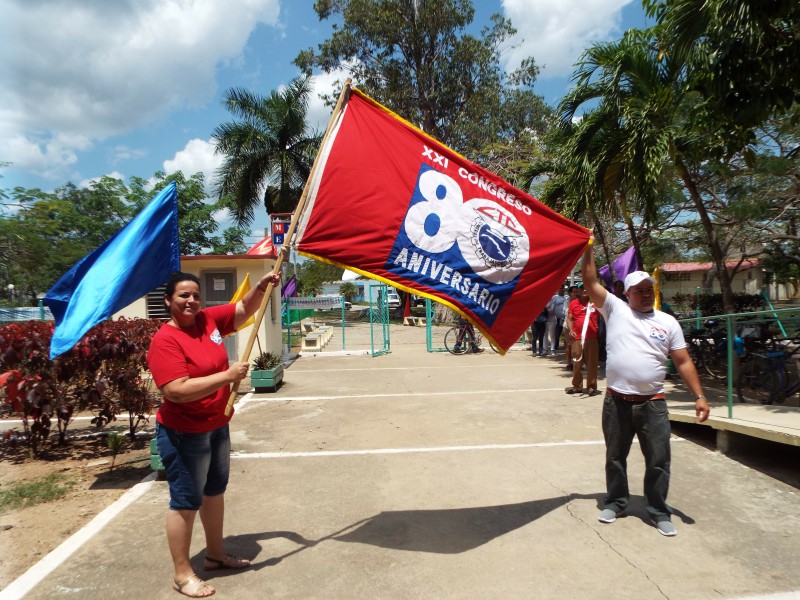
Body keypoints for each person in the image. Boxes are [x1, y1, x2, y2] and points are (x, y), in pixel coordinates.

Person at [147, 270, 281, 597]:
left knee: (214, 491)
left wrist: (261, 287)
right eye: (183, 295)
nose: (191, 300)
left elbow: (241, 311)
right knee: (185, 502)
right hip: (184, 433)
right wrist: (227, 376)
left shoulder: (208, 321)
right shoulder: (165, 340)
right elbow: (176, 390)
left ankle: (215, 554)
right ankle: (182, 575)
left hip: (217, 425)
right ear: (168, 300)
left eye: (195, 294)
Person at [580, 243, 710, 536]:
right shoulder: (615, 310)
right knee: (615, 457)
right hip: (617, 402)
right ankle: (615, 502)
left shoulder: (667, 322)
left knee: (659, 460)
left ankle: (658, 510)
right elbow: (589, 281)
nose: (645, 292)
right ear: (627, 294)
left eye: (648, 288)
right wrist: (588, 249)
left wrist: (699, 396)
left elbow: (683, 361)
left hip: (653, 404)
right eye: (638, 289)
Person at [565, 285, 599, 395]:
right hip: (577, 338)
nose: (584, 290)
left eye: (586, 288)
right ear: (579, 291)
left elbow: (605, 316)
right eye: (582, 288)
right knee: (576, 363)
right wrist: (571, 330)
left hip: (592, 338)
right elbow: (570, 319)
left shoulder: (595, 303)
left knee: (592, 364)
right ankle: (577, 386)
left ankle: (591, 387)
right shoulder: (574, 303)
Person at [545, 288, 568, 356]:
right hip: (553, 318)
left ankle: (554, 349)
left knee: (555, 335)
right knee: (552, 335)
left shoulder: (566, 298)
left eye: (562, 289)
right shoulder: (554, 298)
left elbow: (552, 309)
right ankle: (547, 349)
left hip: (562, 318)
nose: (561, 290)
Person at [562, 286, 580, 370]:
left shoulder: (580, 301)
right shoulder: (566, 302)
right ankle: (569, 363)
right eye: (574, 292)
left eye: (577, 292)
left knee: (577, 346)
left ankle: (577, 363)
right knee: (569, 345)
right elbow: (567, 313)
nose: (576, 294)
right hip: (567, 325)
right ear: (570, 293)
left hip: (578, 325)